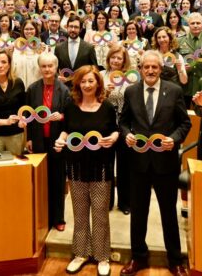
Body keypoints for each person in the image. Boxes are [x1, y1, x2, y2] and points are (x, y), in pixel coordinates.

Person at [120, 50, 191, 276]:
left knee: (168, 214)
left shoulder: (174, 91)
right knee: (138, 213)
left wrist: (174, 139)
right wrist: (126, 135)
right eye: (146, 67)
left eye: (155, 67)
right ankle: (138, 257)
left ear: (161, 69)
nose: (150, 71)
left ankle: (175, 260)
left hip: (165, 163)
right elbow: (123, 122)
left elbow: (185, 123)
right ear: (140, 69)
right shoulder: (131, 91)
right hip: (138, 163)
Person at [53, 66, 118, 276]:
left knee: (100, 214)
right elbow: (65, 130)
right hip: (76, 167)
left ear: (98, 83)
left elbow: (115, 130)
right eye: (83, 81)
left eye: (91, 81)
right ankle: (80, 253)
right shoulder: (70, 106)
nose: (87, 85)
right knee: (79, 213)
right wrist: (61, 140)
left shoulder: (107, 107)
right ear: (78, 84)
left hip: (101, 168)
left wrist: (113, 138)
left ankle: (102, 256)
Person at [23, 53, 69, 230]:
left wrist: (62, 116)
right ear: (39, 68)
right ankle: (43, 217)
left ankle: (58, 219)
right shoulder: (32, 89)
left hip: (57, 140)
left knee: (57, 179)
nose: (47, 69)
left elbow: (71, 117)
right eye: (44, 66)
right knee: (40, 179)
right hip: (38, 139)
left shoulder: (64, 90)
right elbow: (28, 115)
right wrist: (29, 138)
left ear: (56, 67)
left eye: (50, 66)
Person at [102, 46, 133, 215]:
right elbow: (95, 100)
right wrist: (105, 93)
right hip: (105, 124)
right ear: (108, 59)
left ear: (124, 61)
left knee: (124, 164)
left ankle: (125, 202)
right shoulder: (101, 76)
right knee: (106, 163)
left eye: (119, 58)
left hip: (125, 123)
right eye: (113, 57)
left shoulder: (131, 78)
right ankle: (107, 201)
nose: (115, 60)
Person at [178, 12, 202, 105]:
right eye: (192, 23)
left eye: (198, 23)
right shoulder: (179, 41)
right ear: (188, 25)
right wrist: (181, 68)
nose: (195, 26)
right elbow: (175, 62)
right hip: (185, 85)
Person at [11, 21, 42, 90]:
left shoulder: (42, 46)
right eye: (26, 29)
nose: (29, 31)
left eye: (31, 29)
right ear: (23, 31)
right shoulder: (15, 45)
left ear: (36, 30)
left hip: (36, 85)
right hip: (19, 85)